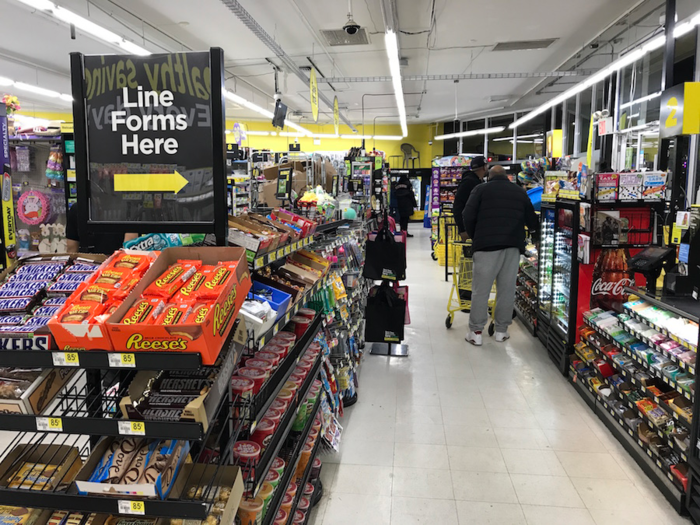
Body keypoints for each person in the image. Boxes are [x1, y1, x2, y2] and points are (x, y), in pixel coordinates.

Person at [463, 165, 539, 345]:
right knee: (506, 290)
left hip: (486, 247)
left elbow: (467, 214)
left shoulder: (480, 189)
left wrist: (476, 235)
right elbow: (532, 219)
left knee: (481, 290)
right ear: (507, 177)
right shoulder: (520, 192)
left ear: (489, 176)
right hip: (512, 247)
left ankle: (476, 332)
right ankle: (501, 331)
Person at [66, 204, 137, 254]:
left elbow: (71, 249)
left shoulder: (78, 208)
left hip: (86, 264)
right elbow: (128, 246)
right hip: (115, 265)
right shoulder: (128, 208)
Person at [453, 156, 488, 241]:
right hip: (469, 227)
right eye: (486, 166)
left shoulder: (480, 182)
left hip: (478, 226)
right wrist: (463, 229)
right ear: (483, 167)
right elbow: (458, 206)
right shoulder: (468, 182)